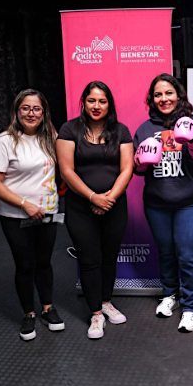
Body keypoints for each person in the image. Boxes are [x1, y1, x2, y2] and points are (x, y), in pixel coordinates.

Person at [133, 73, 193, 333]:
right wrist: (140, 161)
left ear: (179, 95)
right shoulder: (145, 129)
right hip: (157, 203)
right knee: (166, 251)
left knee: (187, 254)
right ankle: (170, 295)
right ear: (152, 99)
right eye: (158, 94)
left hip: (191, 201)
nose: (164, 99)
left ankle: (190, 308)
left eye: (168, 93)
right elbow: (138, 171)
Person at [56, 81, 133, 339]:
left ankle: (106, 302)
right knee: (90, 260)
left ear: (109, 104)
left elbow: (127, 169)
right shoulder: (69, 130)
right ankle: (96, 314)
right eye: (91, 100)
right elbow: (67, 170)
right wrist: (92, 197)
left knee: (109, 258)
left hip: (114, 205)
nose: (96, 106)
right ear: (84, 102)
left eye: (102, 101)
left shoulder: (121, 131)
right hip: (80, 207)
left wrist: (108, 199)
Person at [0, 89, 63, 341]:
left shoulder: (51, 137)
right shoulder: (5, 141)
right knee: (25, 264)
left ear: (44, 113)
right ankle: (28, 313)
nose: (31, 113)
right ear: (17, 111)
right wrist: (24, 204)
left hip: (48, 212)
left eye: (36, 108)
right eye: (25, 108)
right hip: (16, 215)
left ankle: (47, 308)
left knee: (44, 262)